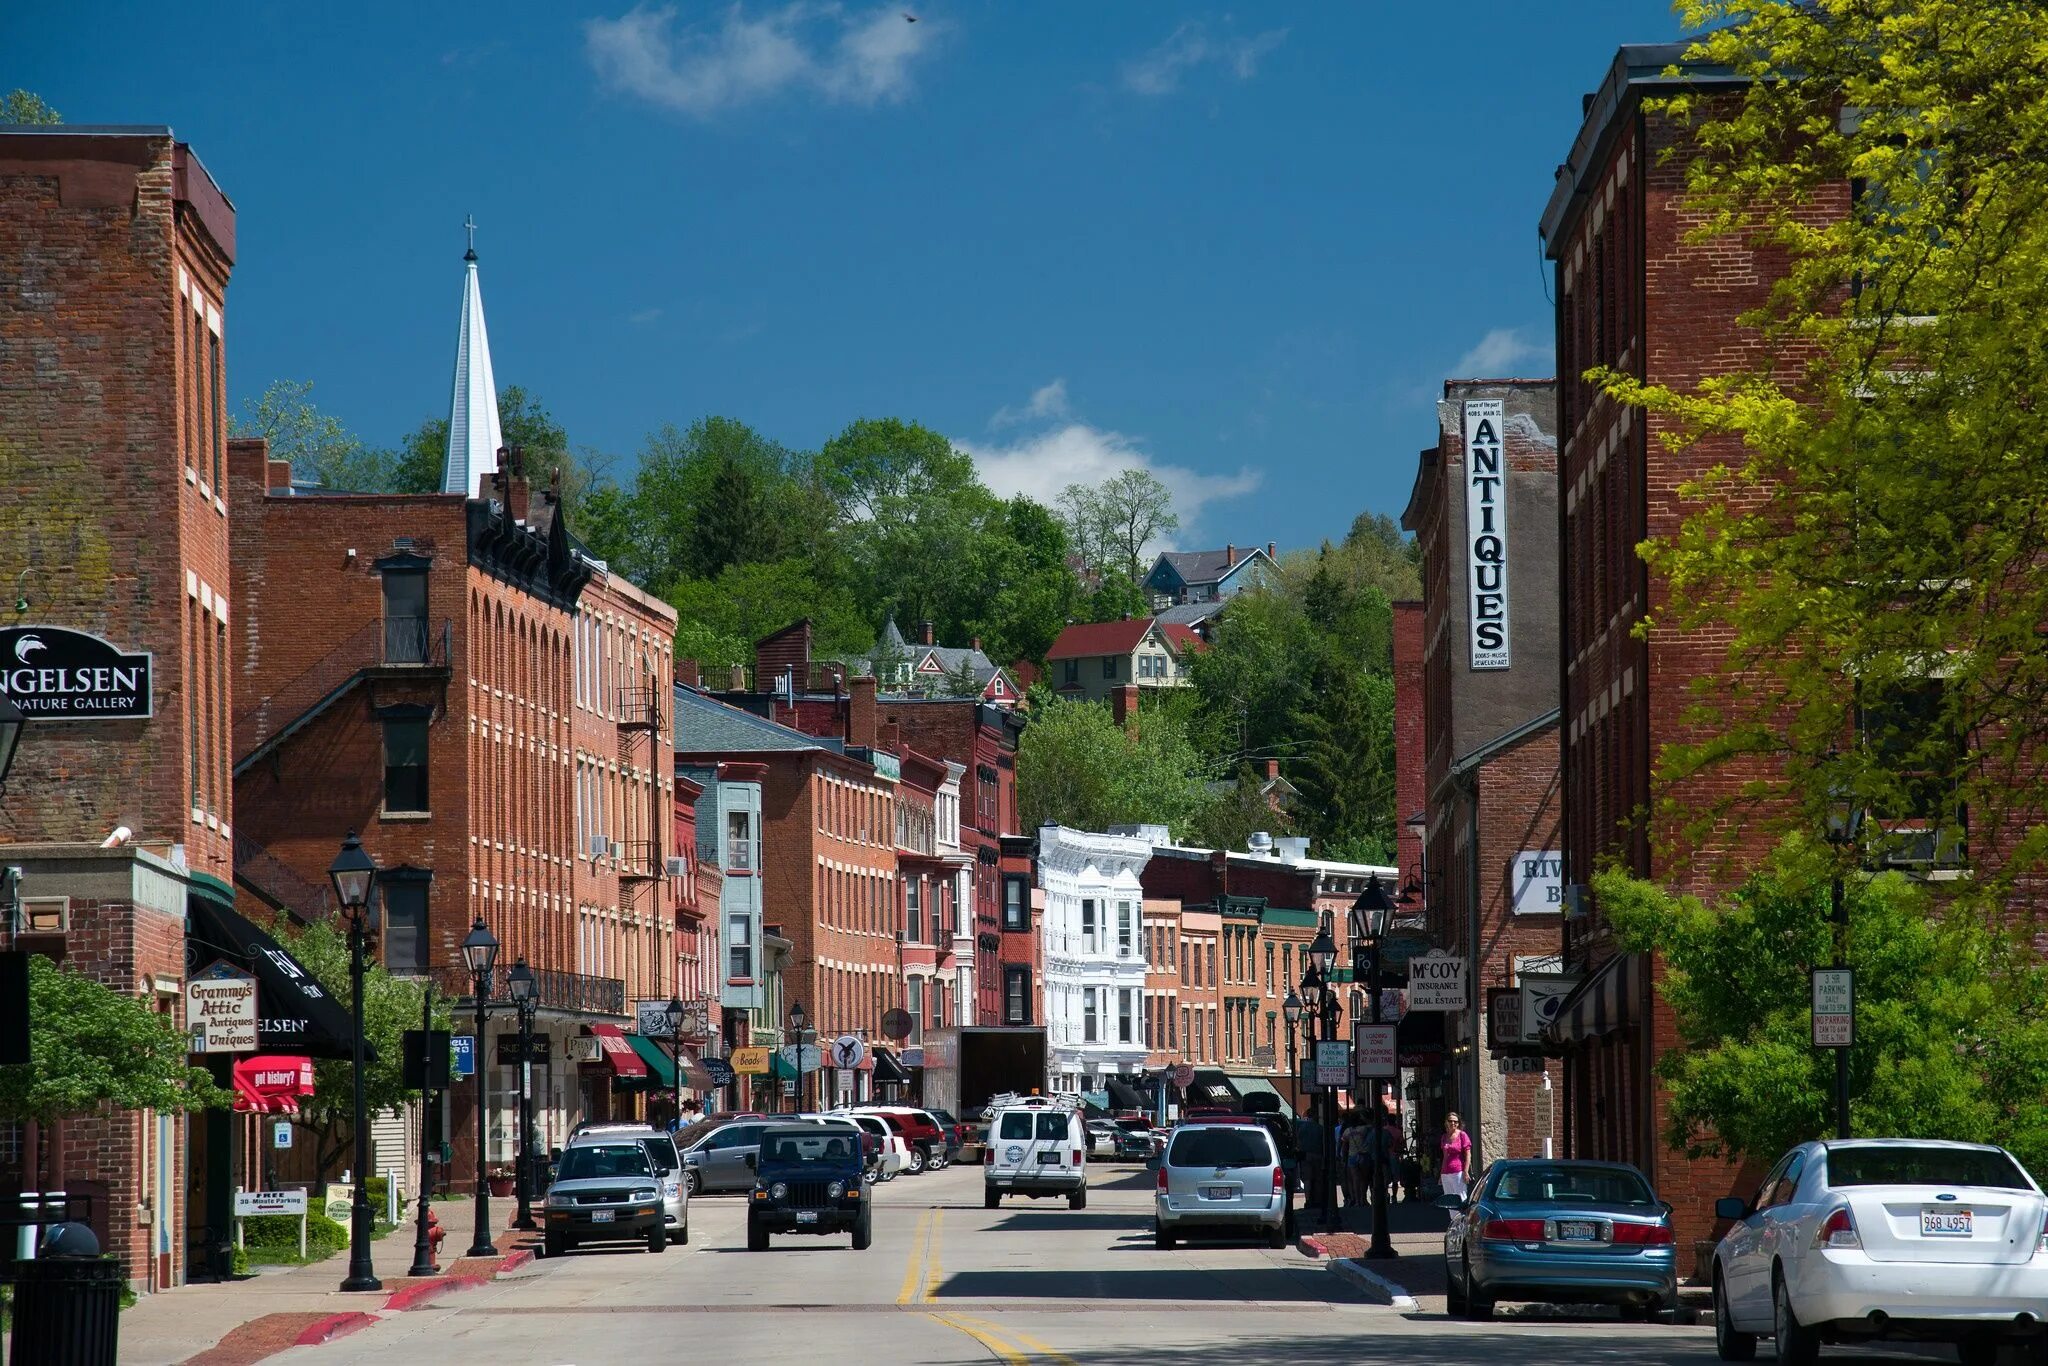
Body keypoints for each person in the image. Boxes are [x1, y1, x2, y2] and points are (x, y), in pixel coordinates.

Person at [1440, 1112, 1473, 1199]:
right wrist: (1441, 1173)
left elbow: (1468, 1155)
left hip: (1458, 1172)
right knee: (1449, 1200)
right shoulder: (1444, 1137)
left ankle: (1462, 1214)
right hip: (1445, 1174)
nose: (1453, 1123)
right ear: (1446, 1122)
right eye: (1450, 1121)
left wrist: (1466, 1171)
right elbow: (1445, 1157)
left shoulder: (1462, 1135)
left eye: (1455, 1121)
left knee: (1461, 1198)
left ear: (1458, 1123)